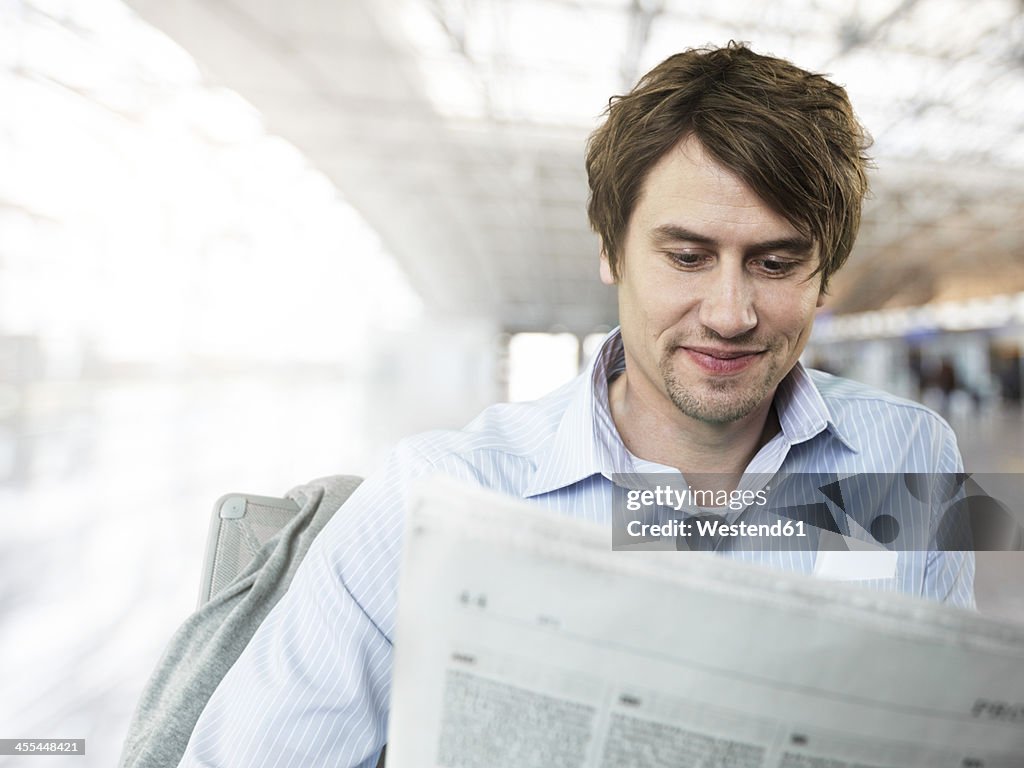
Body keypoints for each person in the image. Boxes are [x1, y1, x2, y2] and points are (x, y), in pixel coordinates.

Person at [176, 42, 973, 767]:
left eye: (775, 262)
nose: (731, 313)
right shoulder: (433, 497)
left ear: (823, 274)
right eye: (688, 256)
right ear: (609, 247)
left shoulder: (912, 454)